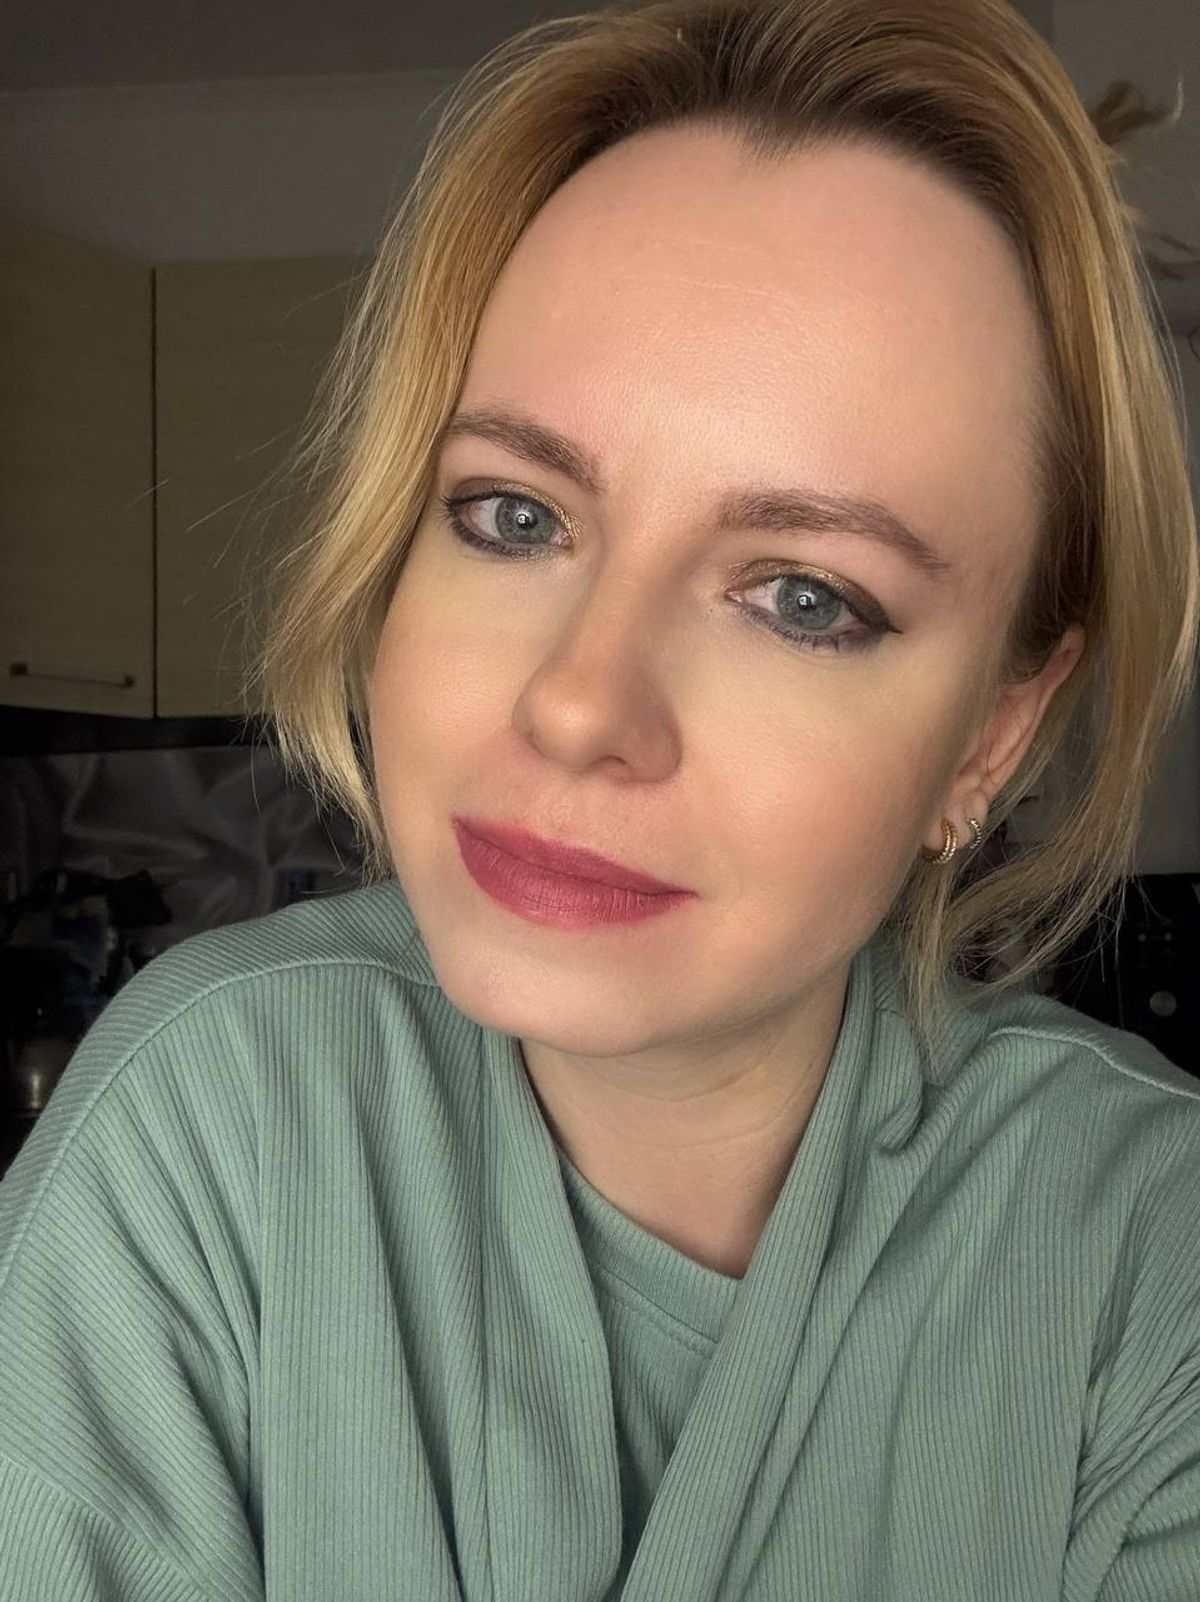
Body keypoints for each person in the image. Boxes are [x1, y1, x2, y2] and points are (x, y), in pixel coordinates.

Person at [1, 0, 1198, 1596]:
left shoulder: (1150, 1259)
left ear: (992, 733)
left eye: (804, 597)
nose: (576, 702)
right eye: (514, 513)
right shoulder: (209, 1122)